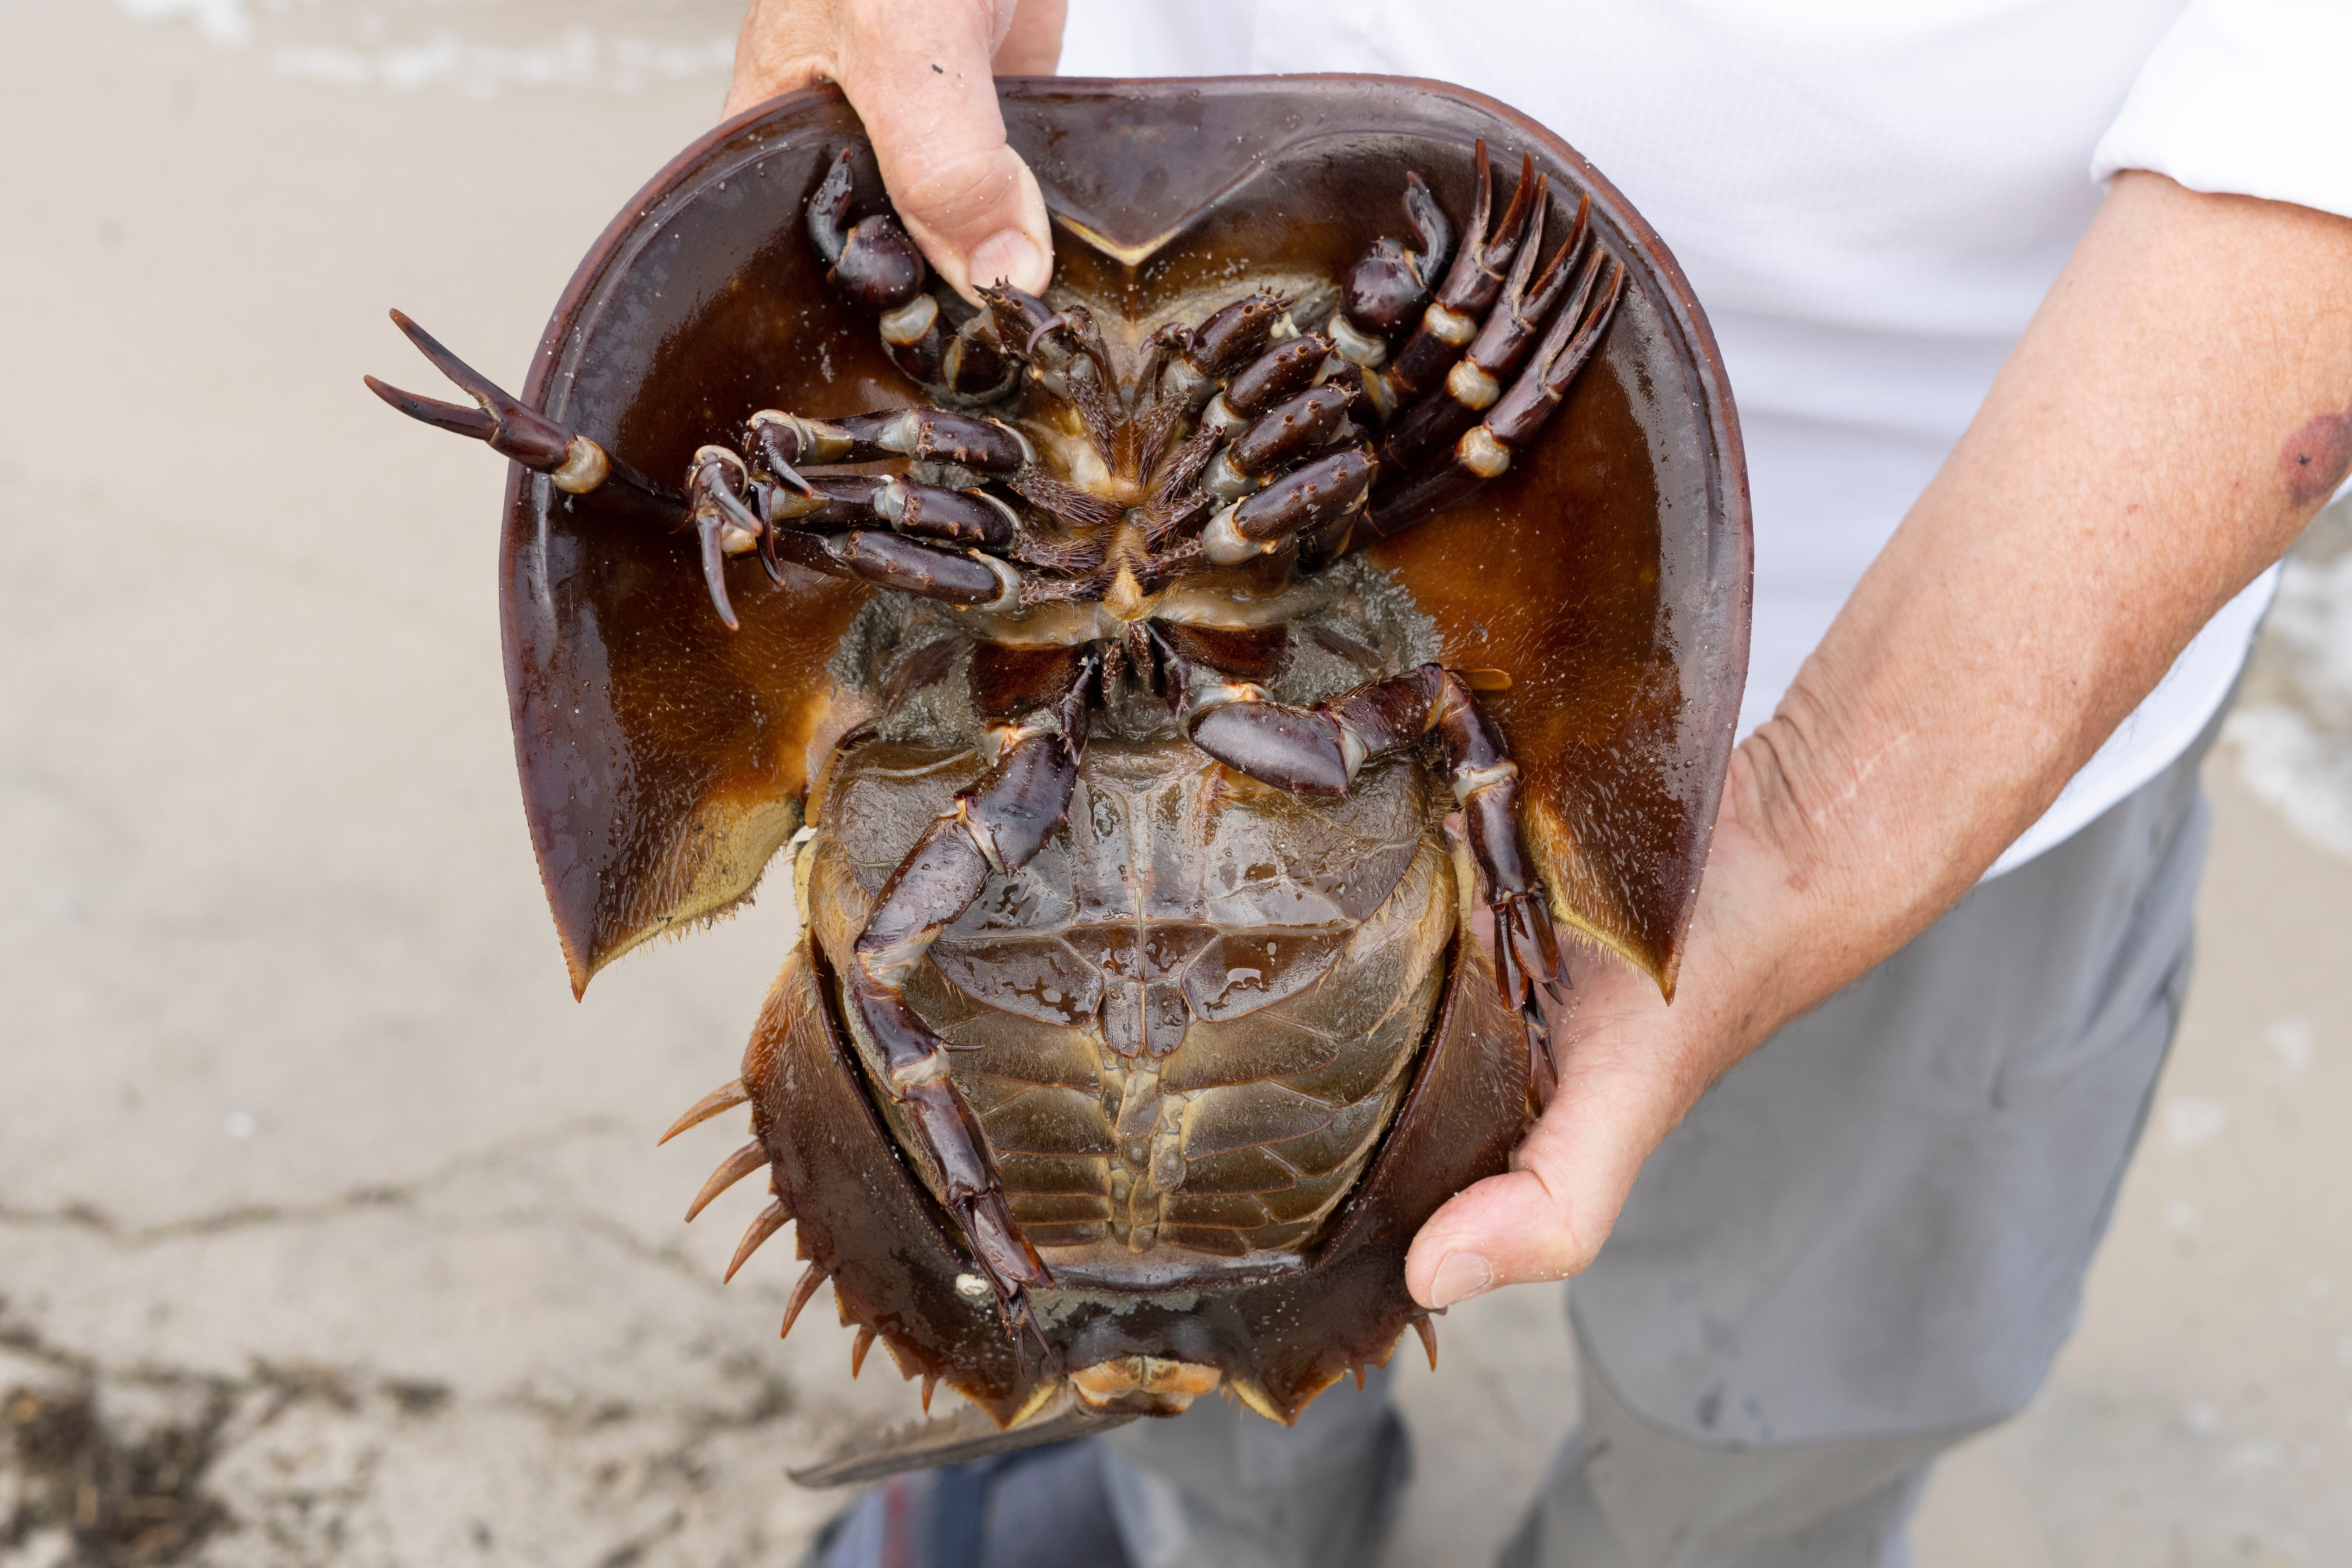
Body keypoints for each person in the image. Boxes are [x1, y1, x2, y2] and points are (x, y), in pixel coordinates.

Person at [723, 3, 2352, 1563]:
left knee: (1789, 1391)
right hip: (1075, 273)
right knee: (1132, 1354)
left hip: (1963, 605)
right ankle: (1205, 1537)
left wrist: (1812, 822)